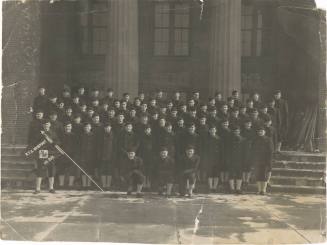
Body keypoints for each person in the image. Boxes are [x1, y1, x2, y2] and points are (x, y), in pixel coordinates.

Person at [31, 119, 60, 194]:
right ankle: (37, 189)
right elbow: (35, 143)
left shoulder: (53, 133)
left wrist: (53, 143)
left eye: (47, 124)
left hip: (51, 152)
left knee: (51, 169)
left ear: (50, 125)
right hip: (42, 152)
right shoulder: (39, 133)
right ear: (43, 126)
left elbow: (58, 142)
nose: (46, 126)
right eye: (45, 125)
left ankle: (51, 188)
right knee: (40, 169)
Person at [251, 127, 274, 195]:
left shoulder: (268, 140)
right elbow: (252, 150)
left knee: (264, 175)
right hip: (257, 160)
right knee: (258, 175)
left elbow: (270, 151)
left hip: (265, 160)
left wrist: (269, 161)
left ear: (264, 132)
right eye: (259, 131)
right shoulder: (255, 140)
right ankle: (259, 190)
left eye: (262, 131)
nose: (260, 132)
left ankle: (263, 190)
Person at [57, 121, 78, 189]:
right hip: (62, 154)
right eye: (66, 126)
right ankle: (61, 184)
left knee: (71, 169)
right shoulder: (61, 135)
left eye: (69, 126)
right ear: (64, 127)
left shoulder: (74, 135)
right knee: (61, 169)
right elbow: (58, 145)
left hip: (71, 154)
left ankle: (70, 184)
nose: (67, 128)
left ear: (71, 127)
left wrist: (74, 153)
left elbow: (76, 145)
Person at [228, 126, 246, 194]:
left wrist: (244, 160)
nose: (236, 132)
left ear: (240, 132)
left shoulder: (243, 140)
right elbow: (227, 151)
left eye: (237, 131)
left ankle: (238, 189)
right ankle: (232, 189)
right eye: (235, 131)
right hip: (231, 159)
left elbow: (245, 151)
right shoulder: (229, 140)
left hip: (240, 160)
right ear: (233, 132)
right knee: (231, 174)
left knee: (239, 174)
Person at [78, 122, 96, 189]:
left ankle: (88, 184)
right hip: (83, 154)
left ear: (90, 128)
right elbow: (79, 145)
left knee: (90, 169)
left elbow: (95, 146)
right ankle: (84, 184)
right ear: (84, 128)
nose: (87, 128)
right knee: (83, 169)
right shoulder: (81, 135)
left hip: (91, 154)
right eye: (86, 127)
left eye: (88, 127)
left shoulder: (93, 135)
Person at [206, 126, 223, 192]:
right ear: (209, 131)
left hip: (217, 158)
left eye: (214, 129)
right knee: (210, 173)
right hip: (209, 158)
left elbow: (221, 149)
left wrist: (220, 158)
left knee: (216, 173)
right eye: (211, 130)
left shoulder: (218, 138)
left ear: (216, 130)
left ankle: (214, 187)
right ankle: (210, 187)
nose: (212, 131)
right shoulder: (207, 138)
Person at [99, 122, 116, 190]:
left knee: (109, 171)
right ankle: (104, 185)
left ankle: (108, 185)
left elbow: (115, 146)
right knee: (103, 171)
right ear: (104, 128)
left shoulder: (113, 135)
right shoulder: (101, 135)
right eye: (106, 128)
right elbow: (99, 146)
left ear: (110, 128)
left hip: (110, 156)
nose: (107, 129)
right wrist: (100, 155)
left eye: (108, 127)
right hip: (103, 156)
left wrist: (114, 155)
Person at [241, 119, 255, 191]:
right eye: (247, 123)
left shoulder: (253, 132)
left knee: (249, 167)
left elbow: (254, 141)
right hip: (243, 151)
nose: (248, 125)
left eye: (249, 124)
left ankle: (247, 180)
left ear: (251, 124)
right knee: (243, 167)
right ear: (244, 124)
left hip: (250, 151)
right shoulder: (242, 131)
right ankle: (243, 180)